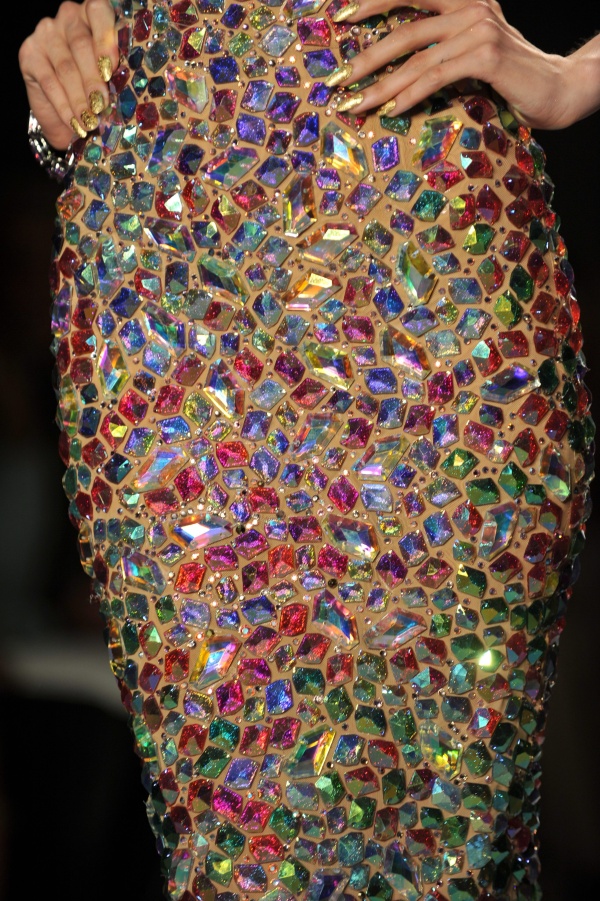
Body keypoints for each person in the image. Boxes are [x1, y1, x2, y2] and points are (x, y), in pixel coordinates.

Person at [17, 2, 597, 900]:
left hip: (428, 281)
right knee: (240, 837)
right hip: (165, 292)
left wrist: (573, 76)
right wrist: (57, 67)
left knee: (446, 827)